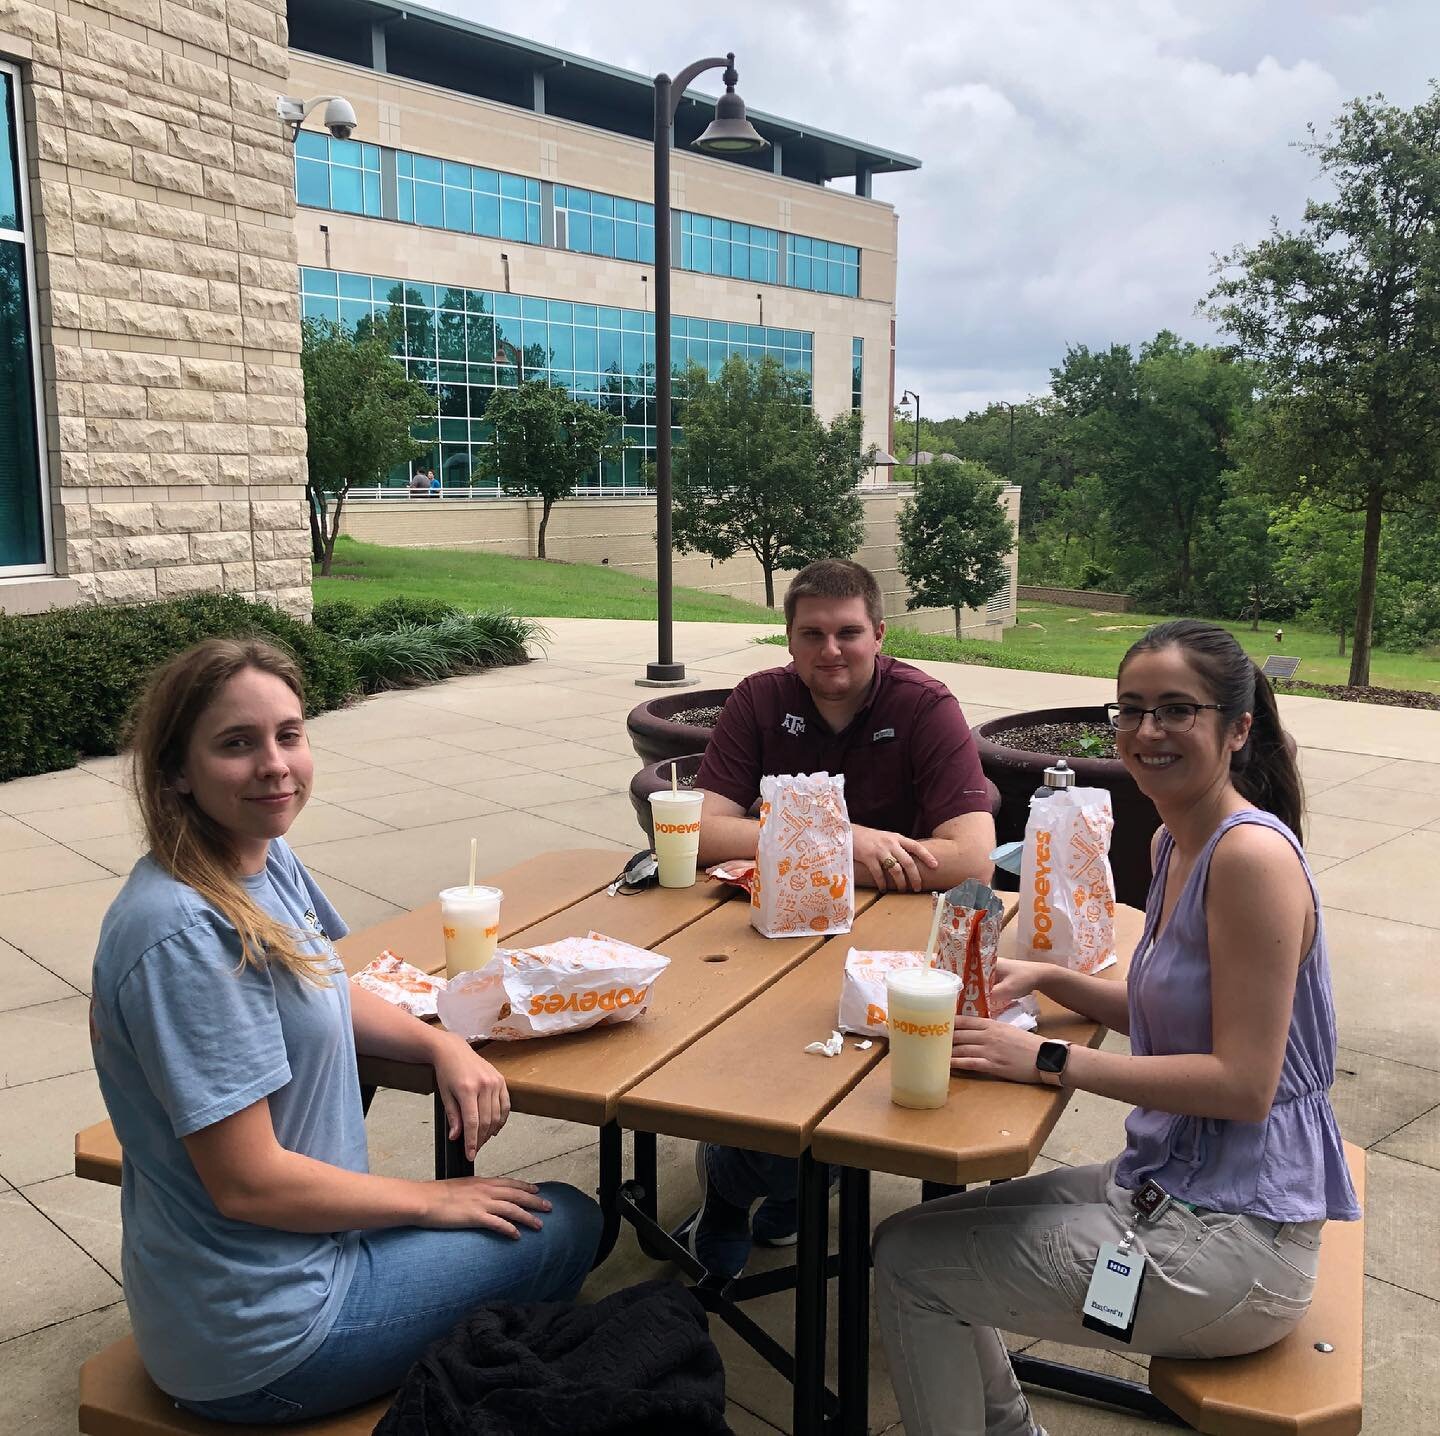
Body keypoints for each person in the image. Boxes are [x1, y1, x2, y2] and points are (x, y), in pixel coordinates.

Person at [90, 639, 602, 1425]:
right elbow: (247, 1182)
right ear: (175, 773)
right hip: (265, 1336)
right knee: (568, 1221)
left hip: (282, 1269)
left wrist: (441, 1042)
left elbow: (328, 984)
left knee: (526, 1213)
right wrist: (431, 1202)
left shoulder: (259, 856)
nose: (275, 765)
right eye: (237, 744)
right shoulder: (184, 938)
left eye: (288, 735)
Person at [871, 619, 1360, 1436]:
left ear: (1239, 729)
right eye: (1129, 709)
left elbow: (1244, 1084)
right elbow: (1186, 1018)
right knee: (909, 1238)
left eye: (1177, 710)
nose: (1145, 732)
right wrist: (1055, 980)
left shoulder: (1249, 860)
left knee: (917, 1270)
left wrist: (1047, 1058)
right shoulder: (1177, 839)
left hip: (1239, 1242)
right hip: (1178, 1186)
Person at [675, 558, 997, 1278]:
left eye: (849, 632)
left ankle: (757, 1181)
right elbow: (697, 835)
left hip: (892, 936)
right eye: (811, 633)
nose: (831, 650)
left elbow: (972, 859)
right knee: (756, 1049)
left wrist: (792, 841)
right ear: (788, 640)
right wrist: (843, 840)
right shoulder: (759, 700)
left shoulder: (924, 705)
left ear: (879, 634)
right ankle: (756, 1181)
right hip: (773, 925)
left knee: (862, 1080)